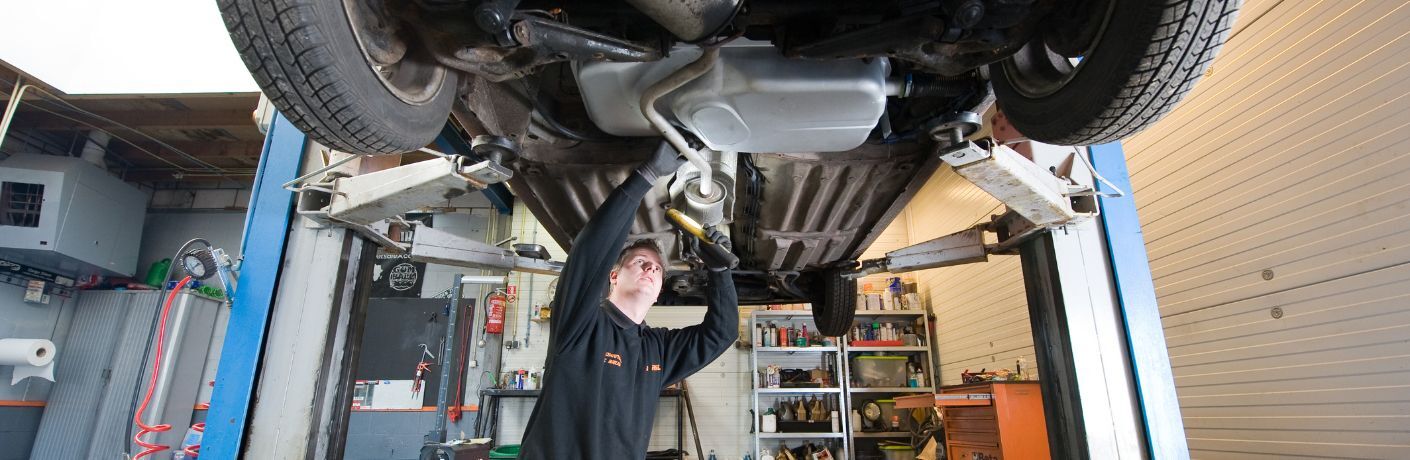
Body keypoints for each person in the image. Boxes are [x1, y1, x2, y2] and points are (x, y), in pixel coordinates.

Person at [517, 142, 739, 459]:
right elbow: (591, 252)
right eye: (639, 262)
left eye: (658, 268)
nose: (651, 267)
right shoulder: (581, 323)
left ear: (661, 288)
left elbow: (722, 333)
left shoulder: (658, 349)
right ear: (613, 275)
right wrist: (646, 176)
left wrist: (719, 271)